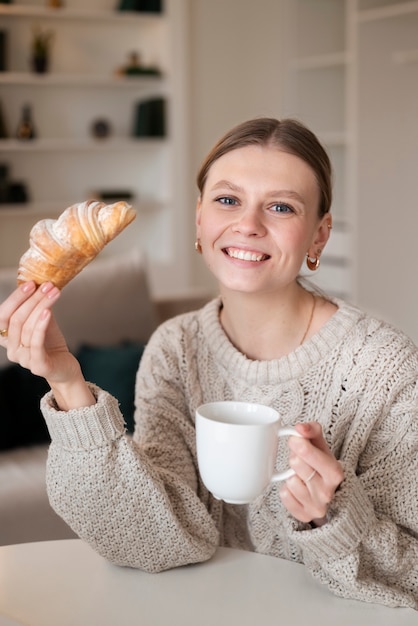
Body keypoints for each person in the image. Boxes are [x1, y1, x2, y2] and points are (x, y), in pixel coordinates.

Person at [0, 117, 417, 610]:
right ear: (199, 219)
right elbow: (156, 539)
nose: (248, 224)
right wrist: (68, 384)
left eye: (281, 207)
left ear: (318, 237)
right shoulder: (175, 348)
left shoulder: (385, 369)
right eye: (227, 200)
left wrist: (335, 519)